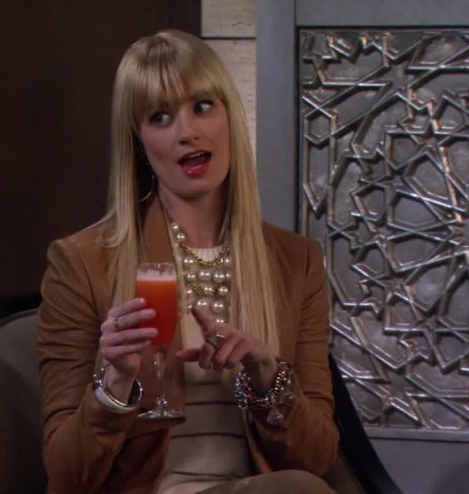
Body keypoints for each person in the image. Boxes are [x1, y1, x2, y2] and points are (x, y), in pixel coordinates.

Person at [37, 29, 338, 493]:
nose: (187, 132)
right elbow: (64, 474)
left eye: (202, 106)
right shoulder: (81, 263)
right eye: (160, 117)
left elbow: (319, 458)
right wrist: (114, 383)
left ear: (229, 116)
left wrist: (268, 378)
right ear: (138, 142)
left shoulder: (296, 262)